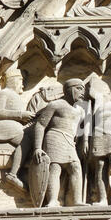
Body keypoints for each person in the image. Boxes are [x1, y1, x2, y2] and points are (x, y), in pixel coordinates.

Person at [33, 78, 88, 207]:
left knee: (76, 167)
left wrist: (85, 142)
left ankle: (77, 200)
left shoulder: (80, 110)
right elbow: (40, 125)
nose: (82, 93)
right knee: (55, 168)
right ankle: (53, 200)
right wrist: (37, 147)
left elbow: (83, 129)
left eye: (83, 90)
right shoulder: (56, 105)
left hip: (70, 141)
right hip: (55, 137)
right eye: (79, 89)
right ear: (69, 89)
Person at [0, 68, 35, 192]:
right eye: (20, 81)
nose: (23, 85)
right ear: (13, 81)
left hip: (14, 125)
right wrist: (21, 115)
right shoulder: (5, 93)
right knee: (26, 138)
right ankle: (13, 174)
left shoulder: (15, 96)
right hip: (3, 125)